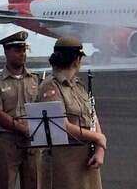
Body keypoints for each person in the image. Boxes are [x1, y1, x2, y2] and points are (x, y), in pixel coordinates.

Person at [37, 36, 106, 189]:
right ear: (76, 60)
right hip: (63, 161)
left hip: (86, 159)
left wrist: (100, 149)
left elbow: (92, 115)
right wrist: (98, 137)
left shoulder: (78, 85)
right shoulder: (50, 87)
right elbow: (61, 125)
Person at [0, 31, 40, 189]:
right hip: (8, 140)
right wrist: (23, 129)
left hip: (33, 141)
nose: (22, 54)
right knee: (4, 183)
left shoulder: (36, 79)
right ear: (6, 52)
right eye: (17, 50)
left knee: (34, 183)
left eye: (24, 50)